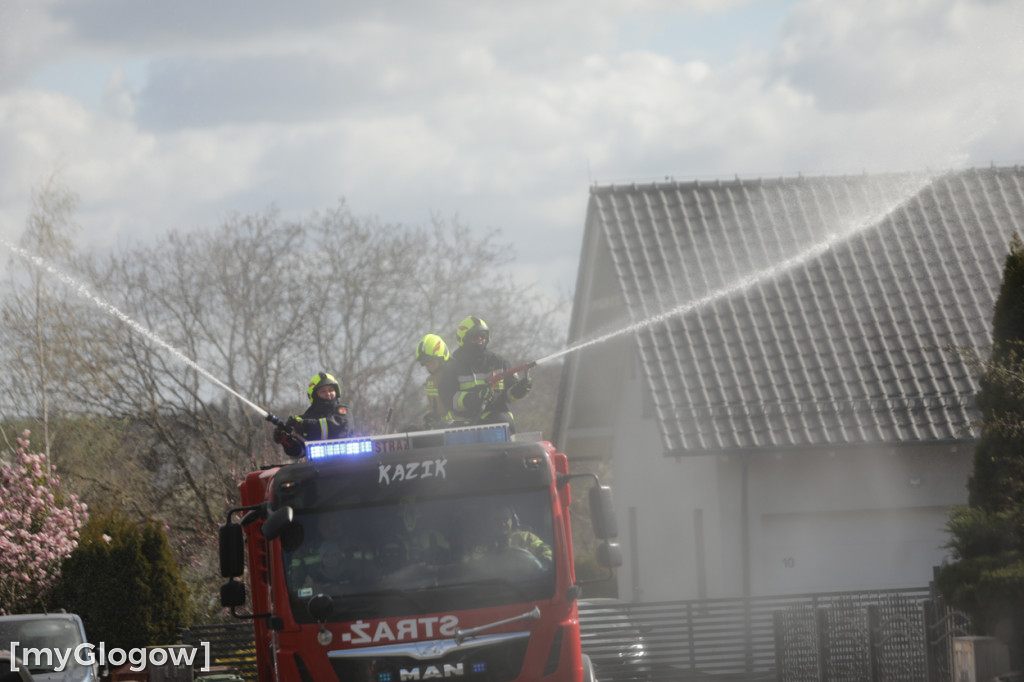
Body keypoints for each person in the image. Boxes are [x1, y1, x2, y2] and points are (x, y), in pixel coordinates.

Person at [438, 315, 532, 433]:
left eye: (483, 335)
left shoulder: (499, 363)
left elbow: (509, 395)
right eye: (474, 336)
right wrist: (476, 397)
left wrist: (520, 390)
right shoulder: (453, 368)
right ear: (463, 339)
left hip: (498, 423)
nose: (480, 339)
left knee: (501, 419)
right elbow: (449, 399)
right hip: (466, 425)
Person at [273, 372, 350, 457]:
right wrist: (286, 440)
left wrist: (304, 424)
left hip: (346, 461)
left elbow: (336, 426)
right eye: (323, 391)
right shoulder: (307, 417)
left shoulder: (342, 410)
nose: (328, 394)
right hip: (319, 464)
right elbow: (300, 451)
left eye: (331, 390)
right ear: (314, 395)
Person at [463, 504, 552, 569]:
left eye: (505, 519)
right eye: (497, 520)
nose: (502, 524)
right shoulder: (483, 543)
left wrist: (545, 561)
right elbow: (467, 563)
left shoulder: (526, 537)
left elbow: (546, 550)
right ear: (490, 522)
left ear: (513, 520)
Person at [415, 333, 454, 429]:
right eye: (426, 365)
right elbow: (432, 407)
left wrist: (444, 422)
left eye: (432, 363)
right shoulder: (430, 381)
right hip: (440, 428)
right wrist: (429, 419)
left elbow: (459, 409)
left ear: (442, 358)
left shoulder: (454, 376)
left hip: (455, 428)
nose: (430, 368)